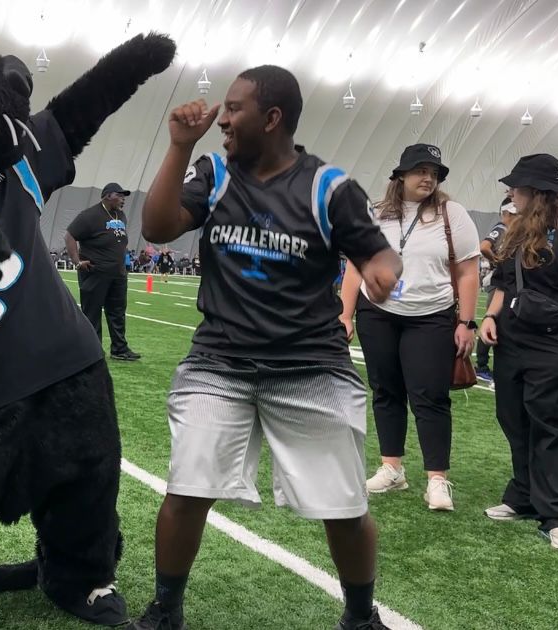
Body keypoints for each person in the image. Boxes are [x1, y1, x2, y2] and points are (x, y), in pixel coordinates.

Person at [128, 65, 401, 630]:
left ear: (271, 118)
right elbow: (157, 228)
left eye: (234, 109)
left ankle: (360, 617)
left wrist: (380, 271)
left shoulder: (329, 186)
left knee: (345, 508)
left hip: (311, 364)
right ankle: (164, 611)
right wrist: (180, 147)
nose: (221, 119)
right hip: (219, 361)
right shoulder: (216, 171)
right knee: (187, 488)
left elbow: (377, 253)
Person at [479, 154, 558, 552]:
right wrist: (489, 317)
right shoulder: (516, 230)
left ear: (536, 192)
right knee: (514, 420)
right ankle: (522, 496)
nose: (510, 194)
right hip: (511, 343)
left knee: (552, 428)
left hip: (555, 344)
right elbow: (503, 283)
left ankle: (556, 515)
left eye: (516, 189)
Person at [339, 144, 479, 512]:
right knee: (385, 391)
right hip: (378, 312)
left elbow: (467, 271)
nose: (427, 177)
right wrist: (344, 313)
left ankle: (437, 479)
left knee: (430, 396)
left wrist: (466, 321)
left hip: (431, 315)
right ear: (399, 176)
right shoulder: (374, 213)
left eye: (433, 172)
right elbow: (356, 266)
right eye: (419, 170)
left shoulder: (453, 214)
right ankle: (392, 469)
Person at [65, 183, 142, 361]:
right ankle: (92, 350)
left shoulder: (120, 215)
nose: (123, 199)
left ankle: (119, 349)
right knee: (92, 312)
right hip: (94, 272)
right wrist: (77, 262)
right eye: (120, 196)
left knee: (117, 311)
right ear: (108, 196)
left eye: (124, 196)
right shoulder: (89, 215)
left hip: (118, 273)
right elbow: (69, 236)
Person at [476, 198, 519, 381]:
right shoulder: (502, 228)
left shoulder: (515, 232)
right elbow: (484, 247)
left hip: (507, 282)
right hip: (499, 283)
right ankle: (482, 365)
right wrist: (497, 262)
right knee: (492, 320)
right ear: (507, 214)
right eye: (515, 215)